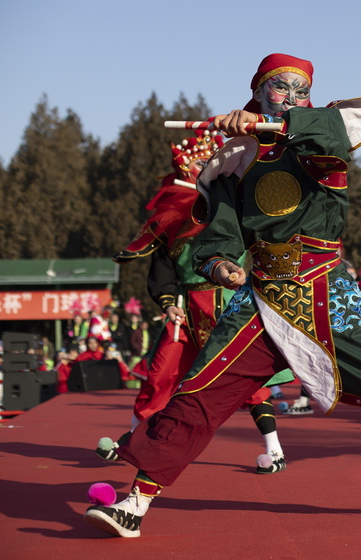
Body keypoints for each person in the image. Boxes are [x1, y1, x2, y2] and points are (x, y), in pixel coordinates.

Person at [83, 53, 361, 539]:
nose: (289, 96)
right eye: (278, 87)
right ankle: (135, 502)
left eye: (298, 89)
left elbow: (324, 132)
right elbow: (218, 235)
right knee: (198, 395)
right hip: (262, 296)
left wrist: (270, 122)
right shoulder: (235, 160)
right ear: (258, 90)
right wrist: (220, 264)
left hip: (331, 293)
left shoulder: (322, 138)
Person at [97, 130, 291, 475]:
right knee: (161, 372)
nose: (202, 168)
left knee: (245, 380)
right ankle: (131, 439)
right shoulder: (170, 217)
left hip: (228, 302)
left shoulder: (232, 206)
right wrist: (168, 302)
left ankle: (274, 451)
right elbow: (162, 270)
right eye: (198, 162)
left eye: (208, 162)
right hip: (186, 309)